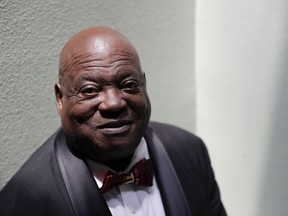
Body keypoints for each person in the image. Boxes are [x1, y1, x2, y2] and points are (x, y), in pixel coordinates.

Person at [0, 26, 227, 216]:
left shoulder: (190, 151)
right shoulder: (22, 202)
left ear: (144, 85)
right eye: (90, 90)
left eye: (129, 85)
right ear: (60, 99)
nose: (113, 103)